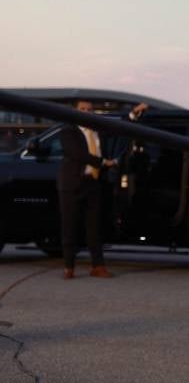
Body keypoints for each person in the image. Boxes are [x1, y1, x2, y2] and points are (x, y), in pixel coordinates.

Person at [58, 100, 148, 279]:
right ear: (75, 112)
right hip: (72, 184)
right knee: (70, 226)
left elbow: (117, 129)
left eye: (90, 110)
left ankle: (97, 266)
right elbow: (78, 154)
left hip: (94, 183)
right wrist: (103, 163)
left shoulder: (98, 129)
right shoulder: (67, 131)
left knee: (94, 227)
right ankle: (69, 267)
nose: (86, 112)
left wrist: (133, 114)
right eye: (82, 109)